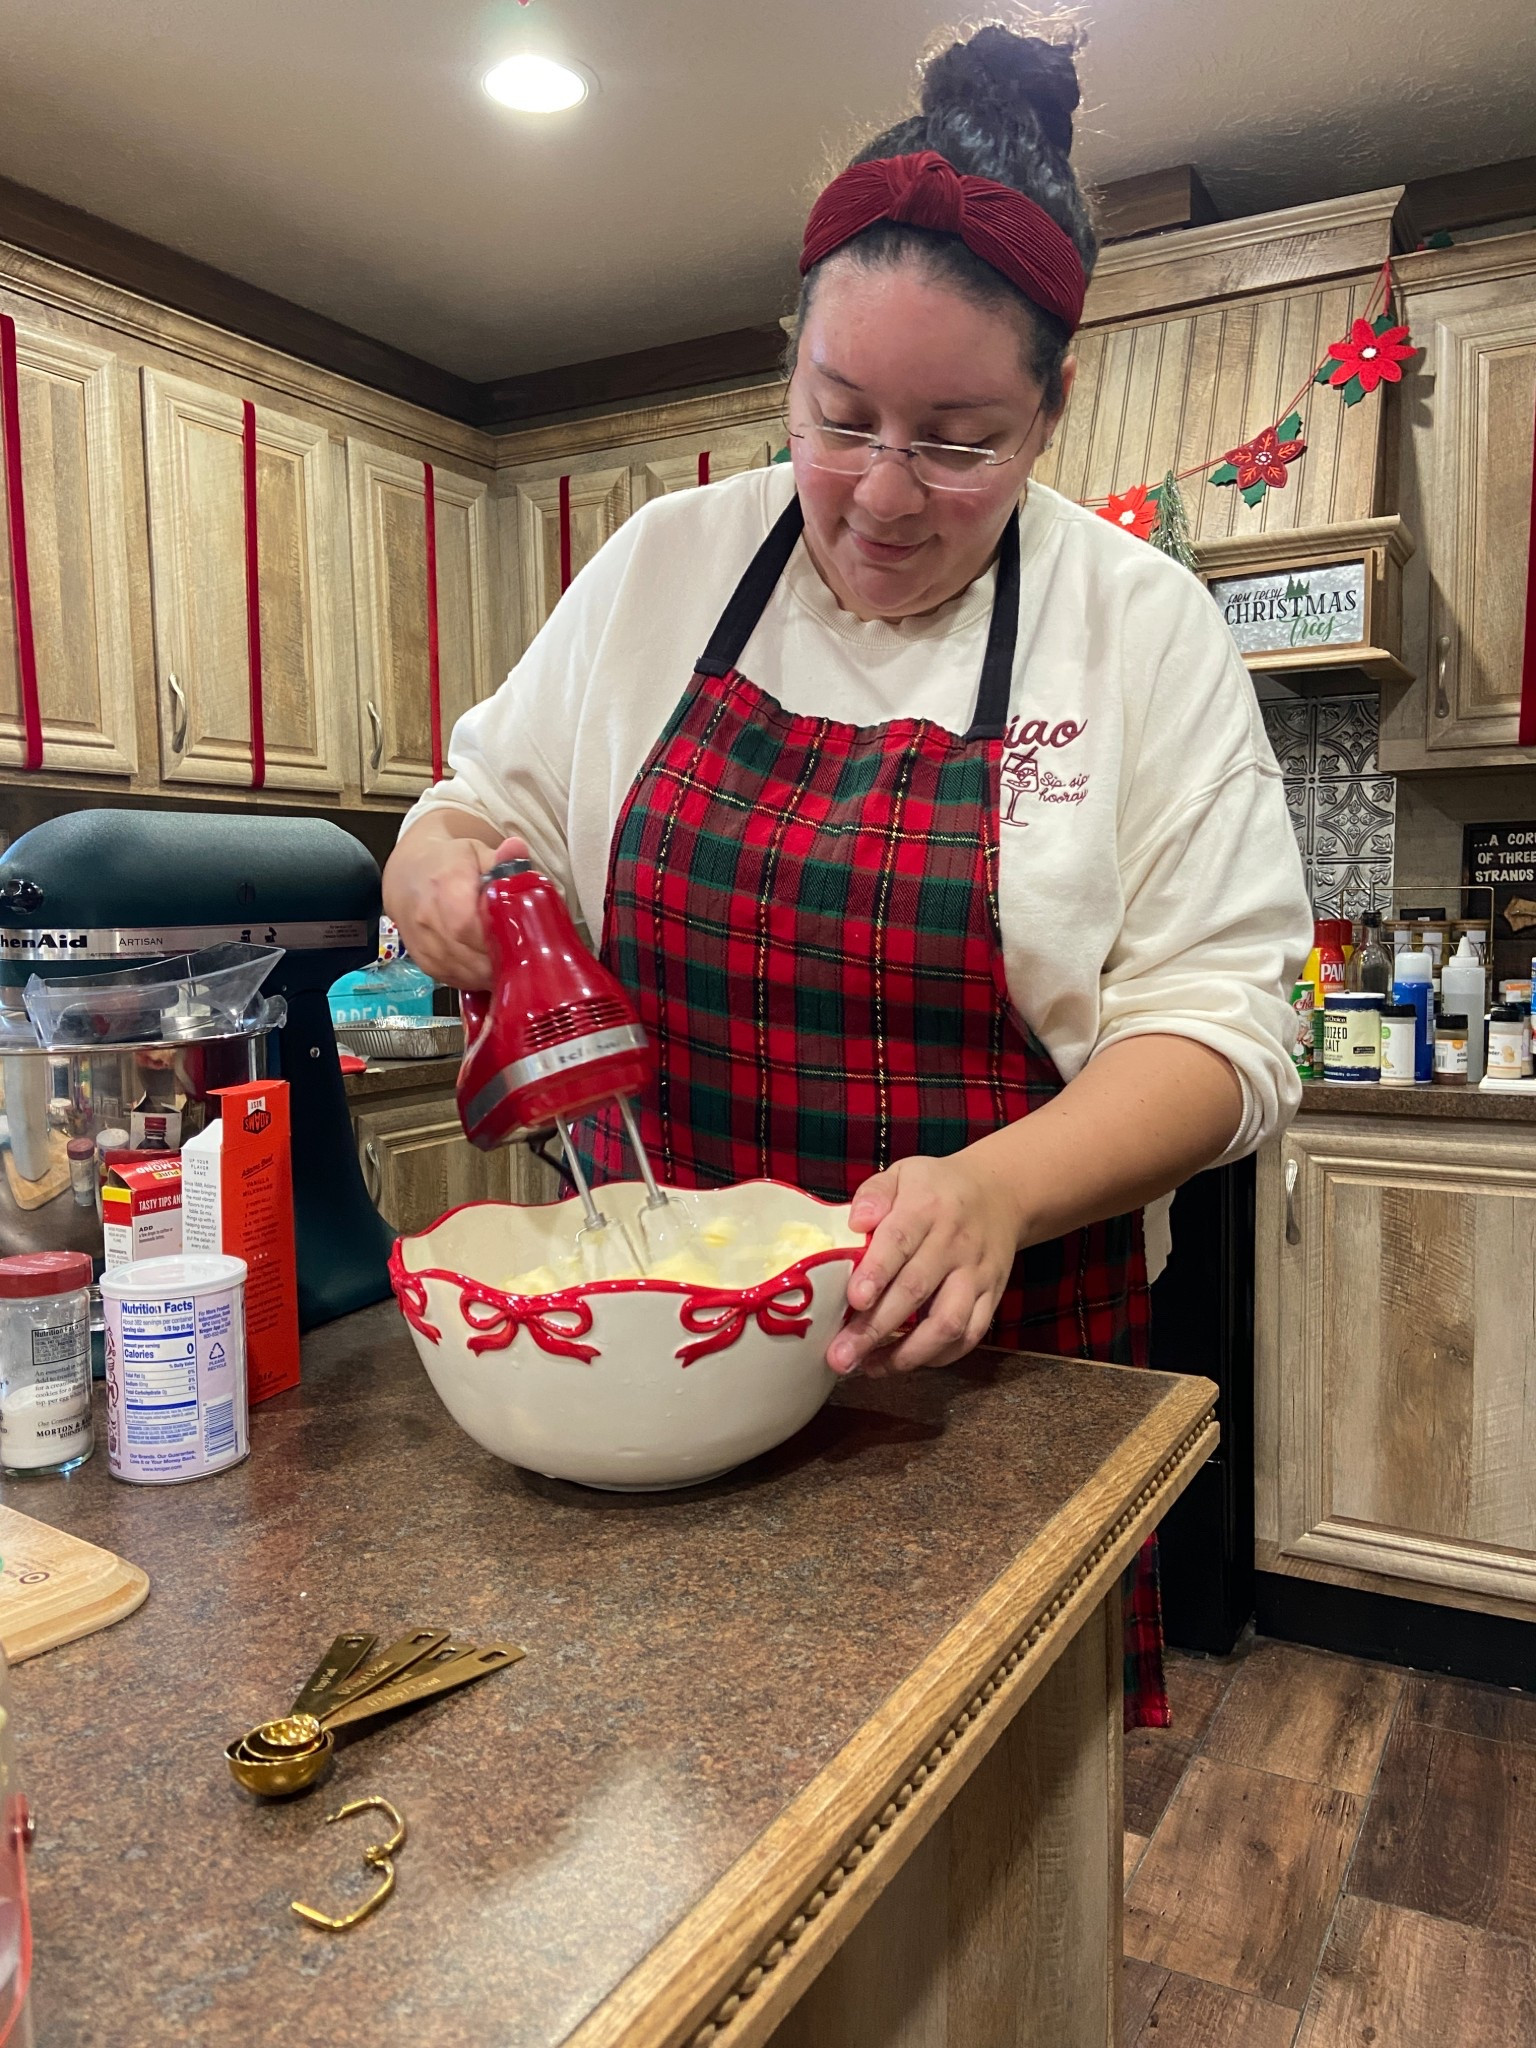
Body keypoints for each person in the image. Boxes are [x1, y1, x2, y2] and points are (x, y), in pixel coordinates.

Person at [384, 24, 1312, 1726]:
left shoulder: (1137, 625)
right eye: (839, 419)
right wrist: (437, 876)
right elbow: (467, 810)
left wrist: (996, 1193)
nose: (883, 494)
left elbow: (1225, 1032)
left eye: (959, 441)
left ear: (1053, 410)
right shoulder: (665, 566)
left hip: (990, 1383)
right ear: (789, 364)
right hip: (646, 1379)